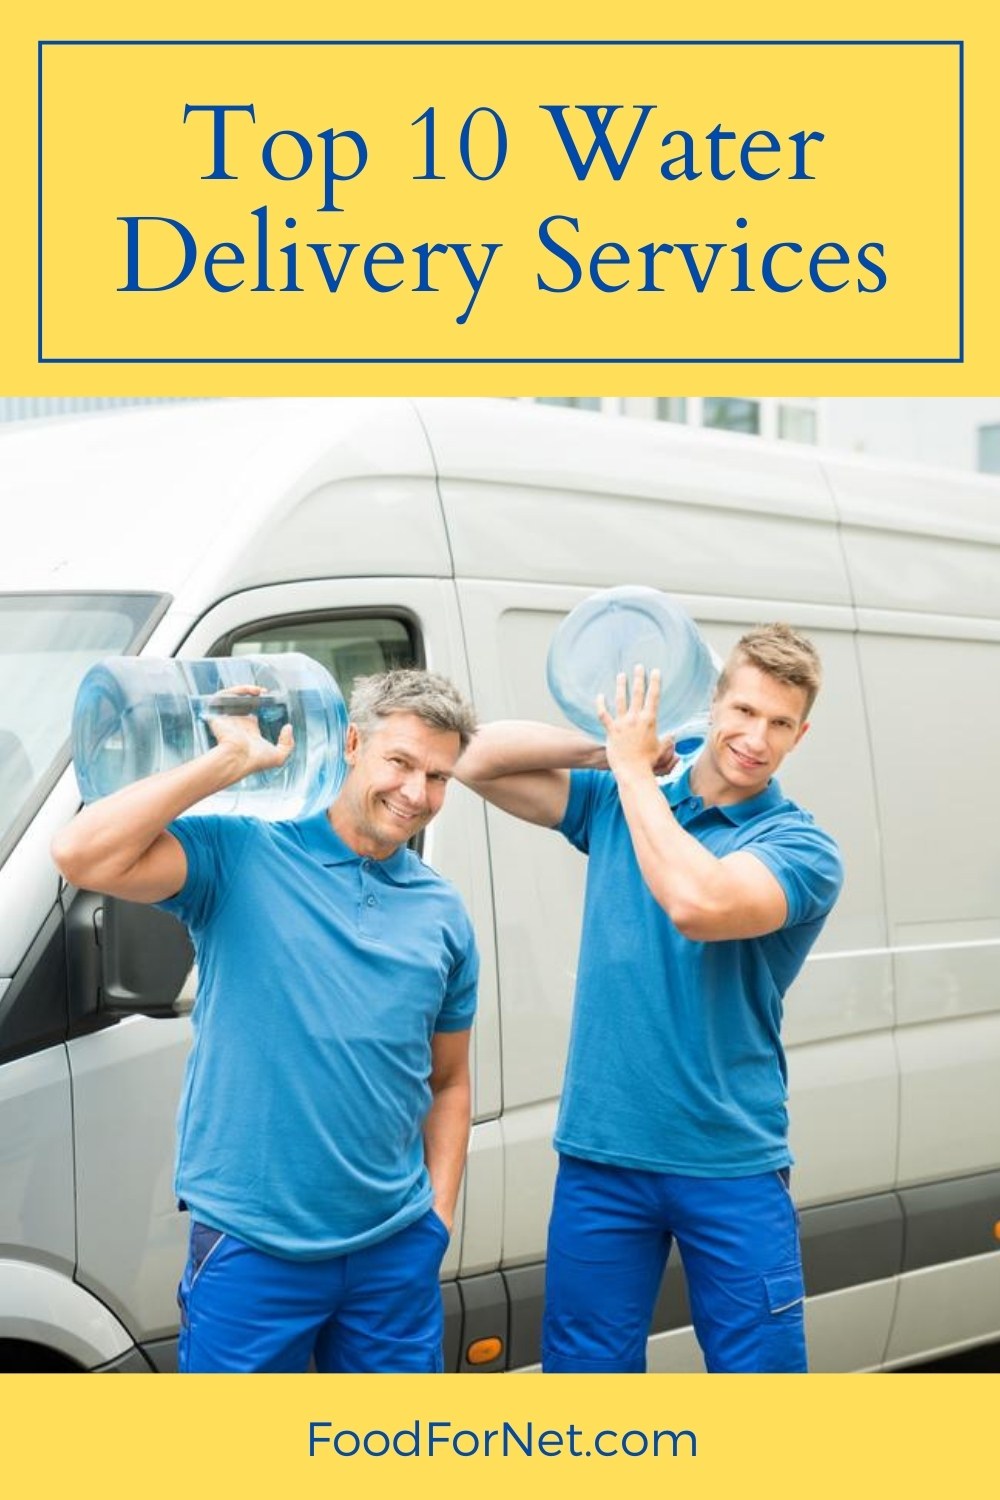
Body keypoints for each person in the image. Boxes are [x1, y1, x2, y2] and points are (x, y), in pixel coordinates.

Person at [51, 668, 479, 1373]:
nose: (415, 793)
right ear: (350, 743)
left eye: (438, 777)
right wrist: (226, 762)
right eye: (400, 761)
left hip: (394, 1251)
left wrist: (436, 1220)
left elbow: (452, 1082)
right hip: (254, 1247)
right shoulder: (244, 854)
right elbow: (81, 854)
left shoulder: (443, 912)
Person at [457, 623, 842, 1373]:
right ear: (713, 705)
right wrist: (607, 752)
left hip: (728, 1161)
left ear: (801, 735)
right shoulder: (618, 795)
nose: (756, 737)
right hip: (602, 1156)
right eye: (744, 711)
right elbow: (470, 755)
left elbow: (699, 903)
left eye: (780, 723)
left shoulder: (801, 848)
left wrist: (635, 780)